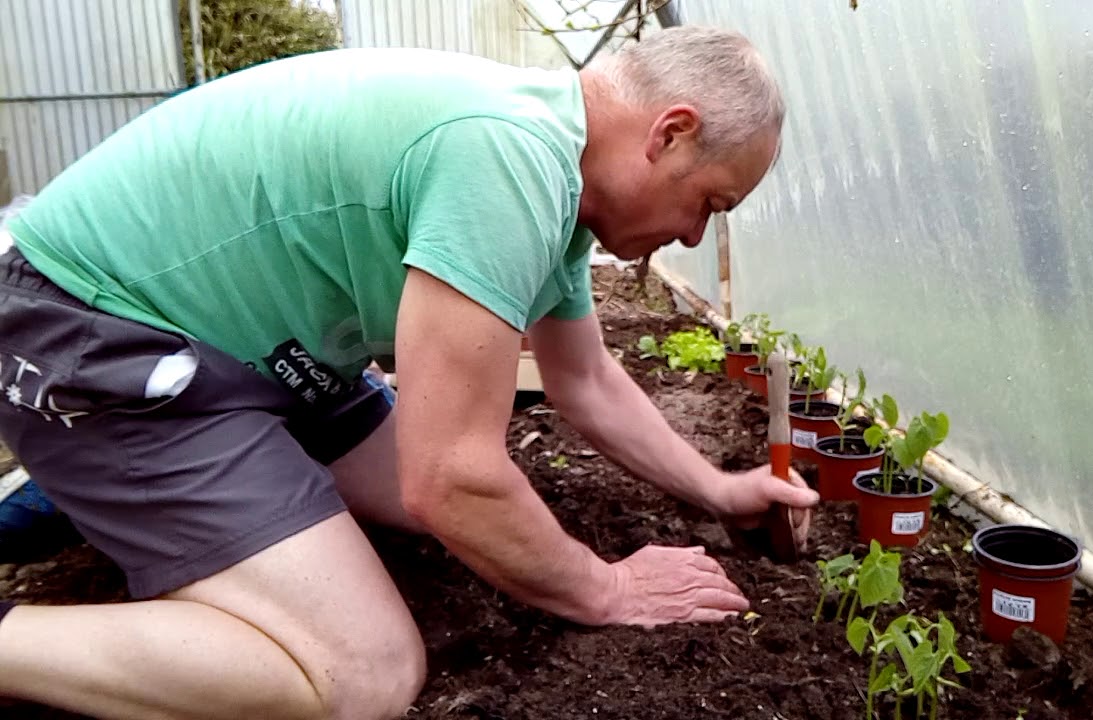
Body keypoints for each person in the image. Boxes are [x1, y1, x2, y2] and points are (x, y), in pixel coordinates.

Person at [0, 25, 817, 720]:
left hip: (265, 357)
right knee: (365, 672)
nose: (691, 241)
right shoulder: (505, 157)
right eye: (711, 205)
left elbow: (586, 380)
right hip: (99, 333)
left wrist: (719, 490)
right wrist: (604, 591)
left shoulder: (548, 170)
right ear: (669, 132)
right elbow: (452, 478)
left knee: (473, 522)